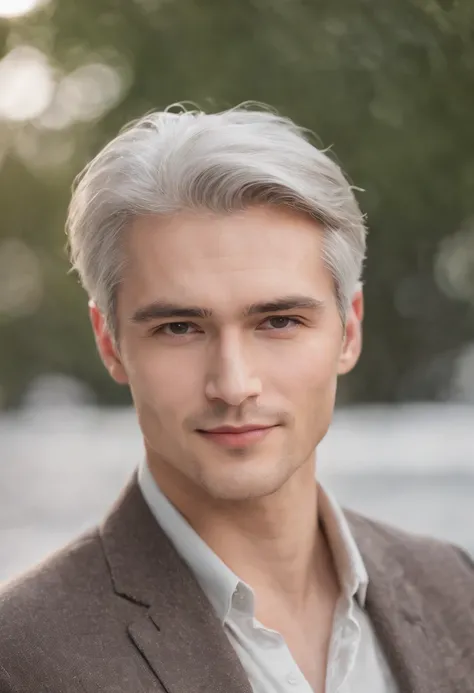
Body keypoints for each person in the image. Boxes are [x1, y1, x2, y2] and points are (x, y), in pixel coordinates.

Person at [0, 105, 472, 693]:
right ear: (111, 343)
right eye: (179, 328)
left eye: (278, 321)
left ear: (348, 331)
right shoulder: (21, 658)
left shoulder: (456, 590)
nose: (233, 384)